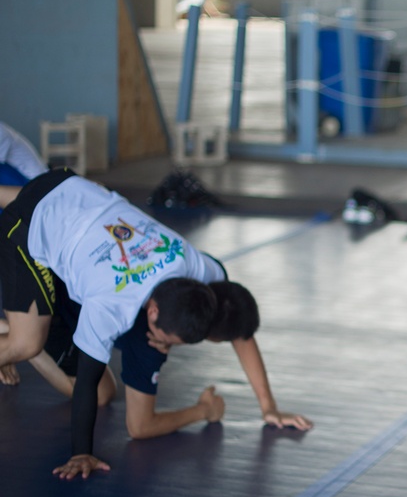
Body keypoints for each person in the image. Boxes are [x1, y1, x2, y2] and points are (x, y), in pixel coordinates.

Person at [0, 171, 313, 479]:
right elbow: (92, 387)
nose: (164, 346)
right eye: (167, 340)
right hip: (33, 223)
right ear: (152, 312)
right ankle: (16, 336)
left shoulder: (194, 269)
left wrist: (268, 406)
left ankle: (16, 329)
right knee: (26, 343)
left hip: (71, 189)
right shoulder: (113, 304)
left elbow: (239, 329)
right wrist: (81, 452)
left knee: (102, 392)